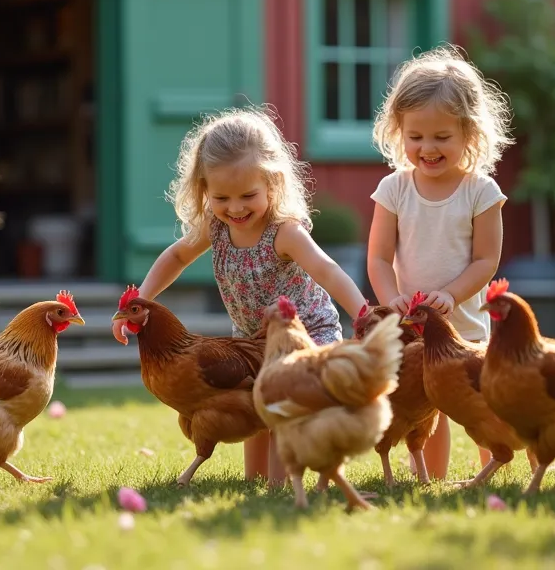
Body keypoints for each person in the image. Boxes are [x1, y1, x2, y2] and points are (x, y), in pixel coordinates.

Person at [112, 106, 368, 487]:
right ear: (203, 191)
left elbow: (327, 270)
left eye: (248, 195)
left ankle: (285, 486)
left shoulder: (285, 232)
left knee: (281, 406)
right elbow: (177, 255)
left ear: (273, 184)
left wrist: (362, 313)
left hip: (303, 335)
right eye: (221, 197)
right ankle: (256, 481)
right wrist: (139, 304)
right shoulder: (214, 227)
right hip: (250, 340)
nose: (234, 208)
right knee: (254, 408)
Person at [366, 44, 514, 481]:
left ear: (469, 134)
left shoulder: (480, 192)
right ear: (399, 133)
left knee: (476, 402)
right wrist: (390, 298)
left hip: (462, 324)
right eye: (416, 137)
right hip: (412, 326)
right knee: (425, 405)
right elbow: (377, 256)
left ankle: (497, 471)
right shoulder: (393, 189)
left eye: (441, 137)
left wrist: (450, 294)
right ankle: (433, 479)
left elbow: (486, 260)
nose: (427, 148)